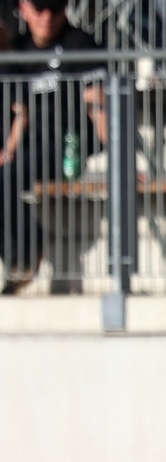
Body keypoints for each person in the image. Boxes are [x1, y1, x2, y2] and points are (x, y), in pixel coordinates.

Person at [1, 0, 106, 295]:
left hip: (66, 147)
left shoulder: (79, 43)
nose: (47, 17)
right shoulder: (17, 50)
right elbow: (19, 112)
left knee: (12, 175)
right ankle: (18, 259)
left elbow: (97, 107)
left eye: (55, 9)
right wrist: (7, 149)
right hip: (28, 147)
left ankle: (24, 257)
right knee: (9, 171)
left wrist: (121, 159)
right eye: (40, 8)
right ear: (24, 8)